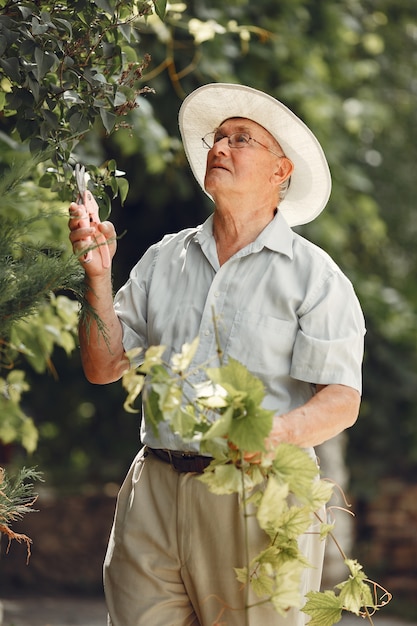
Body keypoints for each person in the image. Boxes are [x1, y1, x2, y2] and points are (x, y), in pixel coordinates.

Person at [68, 83, 365, 626]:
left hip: (260, 497)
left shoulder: (315, 277)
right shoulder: (164, 260)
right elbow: (103, 367)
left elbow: (341, 400)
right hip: (153, 491)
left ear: (281, 172)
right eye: (218, 138)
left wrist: (273, 434)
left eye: (242, 139)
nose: (220, 148)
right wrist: (99, 277)